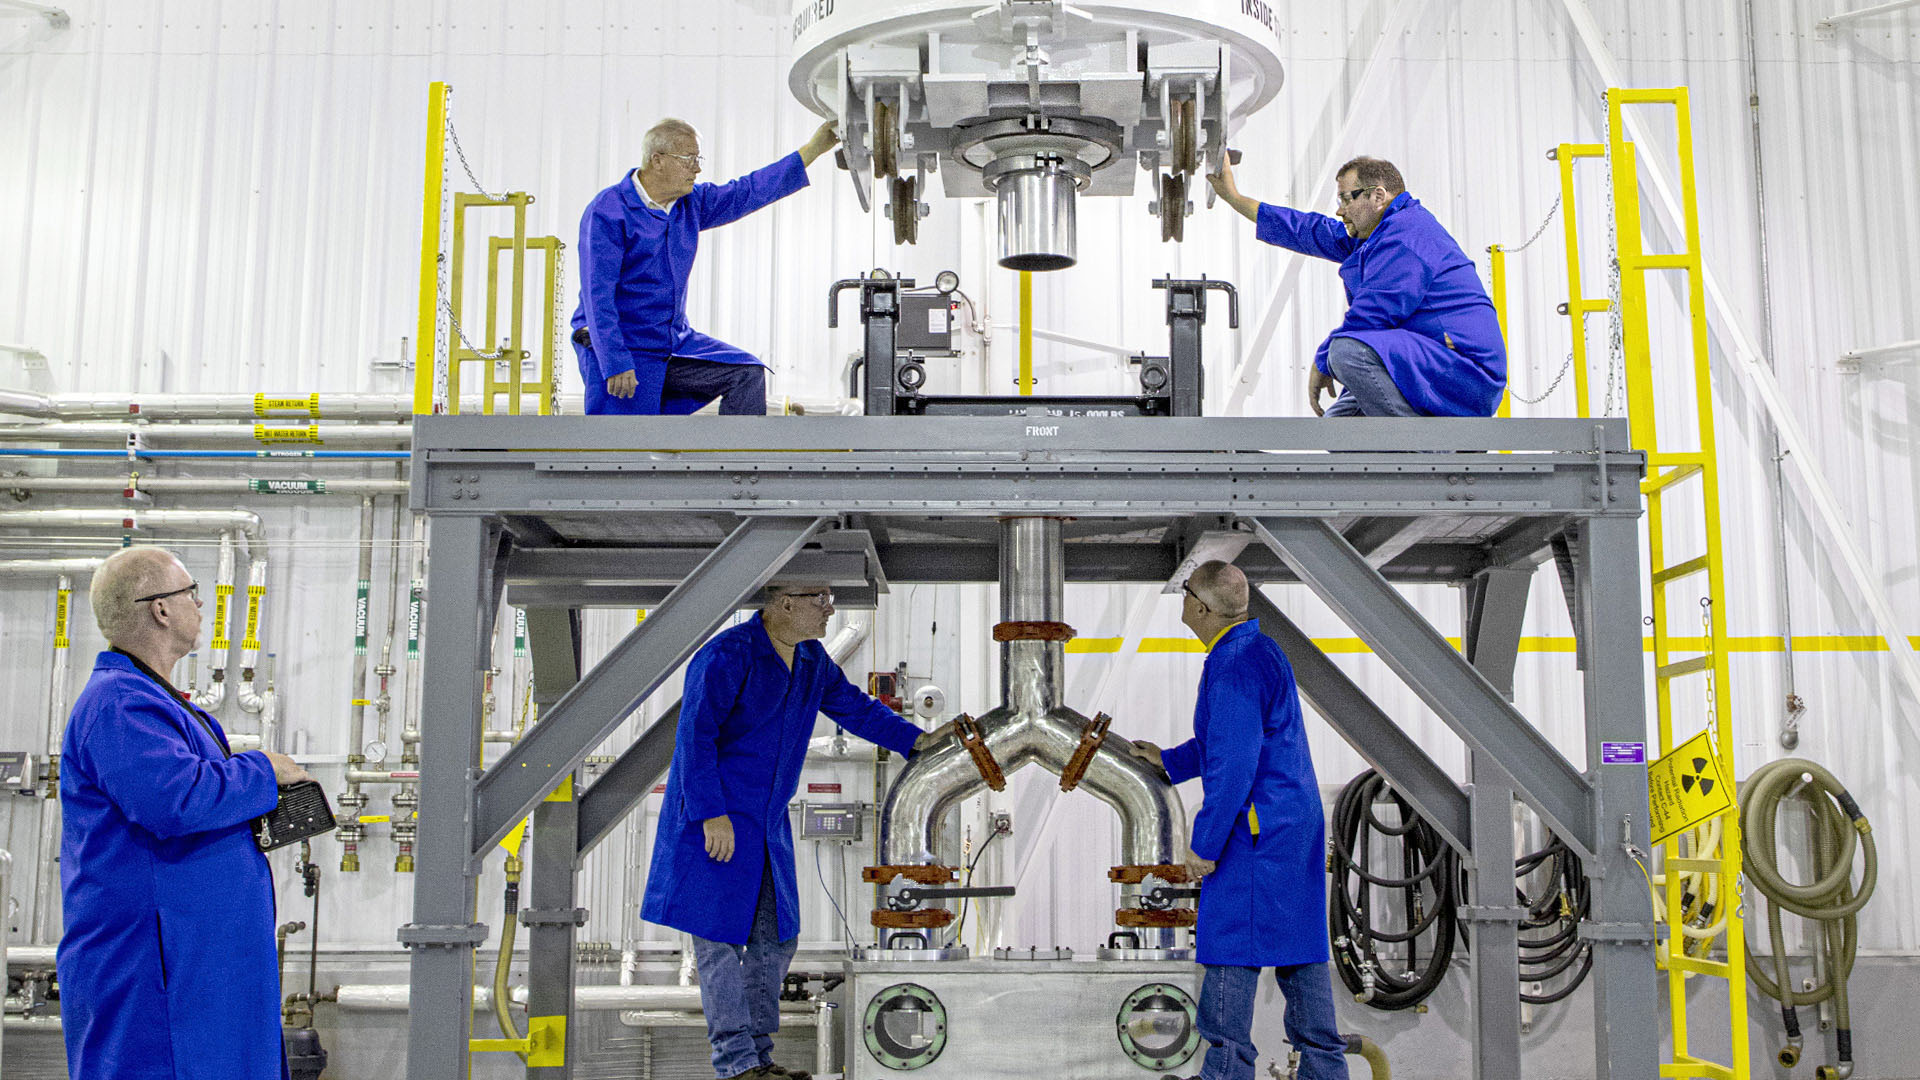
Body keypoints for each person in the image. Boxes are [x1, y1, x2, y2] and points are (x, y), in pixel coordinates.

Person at [641, 584, 952, 1080]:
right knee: (718, 942)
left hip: (766, 824)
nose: (831, 609)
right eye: (821, 599)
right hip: (714, 821)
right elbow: (694, 735)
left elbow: (856, 708)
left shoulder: (811, 661)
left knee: (777, 938)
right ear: (785, 603)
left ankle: (758, 1058)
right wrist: (711, 813)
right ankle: (736, 1063)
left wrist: (917, 742)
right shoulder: (726, 656)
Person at [57, 546, 314, 1079]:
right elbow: (174, 800)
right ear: (160, 609)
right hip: (158, 971)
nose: (201, 604)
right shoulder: (120, 703)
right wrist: (264, 770)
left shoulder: (155, 701)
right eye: (192, 593)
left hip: (197, 965)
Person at [1130, 561, 1348, 1080]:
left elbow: (1233, 764)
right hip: (1292, 825)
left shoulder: (1229, 664)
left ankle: (1226, 1071)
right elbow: (1235, 740)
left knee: (1231, 946)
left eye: (1185, 594)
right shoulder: (1262, 649)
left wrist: (1203, 845)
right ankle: (1324, 1068)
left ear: (1202, 608)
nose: (1181, 602)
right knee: (1300, 951)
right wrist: (1172, 760)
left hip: (1255, 832)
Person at [573, 117, 842, 416]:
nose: (697, 169)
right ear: (657, 161)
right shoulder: (608, 211)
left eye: (697, 159)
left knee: (746, 374)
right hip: (622, 345)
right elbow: (598, 296)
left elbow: (748, 191)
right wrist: (614, 360)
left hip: (672, 342)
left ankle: (738, 462)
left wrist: (814, 149)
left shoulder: (691, 203)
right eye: (689, 159)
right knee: (624, 451)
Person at [1210, 154, 1506, 418]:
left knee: (1347, 352)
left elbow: (1370, 317)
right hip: (1429, 364)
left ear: (1378, 196)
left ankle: (1428, 452)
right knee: (1340, 428)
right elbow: (1309, 230)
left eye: (1345, 199)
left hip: (1465, 374)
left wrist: (1323, 362)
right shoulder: (1378, 234)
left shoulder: (1407, 238)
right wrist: (1235, 198)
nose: (1340, 211)